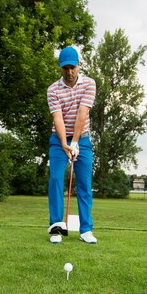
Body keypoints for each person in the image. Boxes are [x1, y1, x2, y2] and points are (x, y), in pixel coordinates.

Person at [47, 46, 97, 244]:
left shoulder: (89, 84)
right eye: (65, 68)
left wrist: (75, 142)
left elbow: (82, 113)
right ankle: (57, 229)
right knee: (56, 180)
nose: (69, 72)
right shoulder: (53, 90)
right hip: (58, 140)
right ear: (60, 68)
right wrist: (64, 143)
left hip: (82, 140)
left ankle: (86, 230)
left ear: (78, 65)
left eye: (72, 68)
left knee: (85, 184)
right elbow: (58, 118)